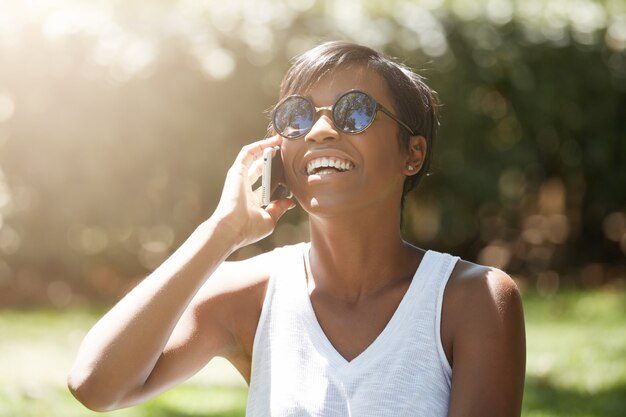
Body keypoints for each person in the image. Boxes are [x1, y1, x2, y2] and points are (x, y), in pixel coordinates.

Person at [68, 41, 526, 416]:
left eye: (355, 111)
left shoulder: (474, 300)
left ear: (413, 153)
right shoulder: (247, 295)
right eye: (298, 116)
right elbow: (97, 386)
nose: (321, 130)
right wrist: (222, 231)